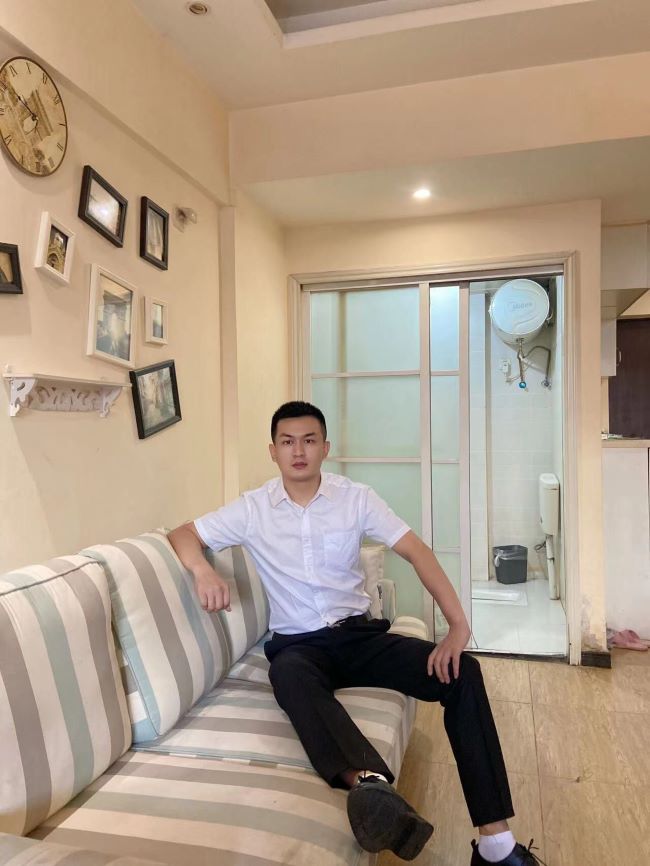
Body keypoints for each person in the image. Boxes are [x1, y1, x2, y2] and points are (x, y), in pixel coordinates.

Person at [168, 401, 542, 865]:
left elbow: (416, 551)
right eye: (287, 442)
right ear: (273, 451)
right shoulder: (252, 509)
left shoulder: (356, 498)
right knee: (287, 674)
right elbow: (183, 534)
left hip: (360, 638)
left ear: (325, 448)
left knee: (463, 673)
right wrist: (203, 570)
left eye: (309, 441)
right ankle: (370, 786)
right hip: (299, 646)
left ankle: (496, 845)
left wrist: (457, 626)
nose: (298, 451)